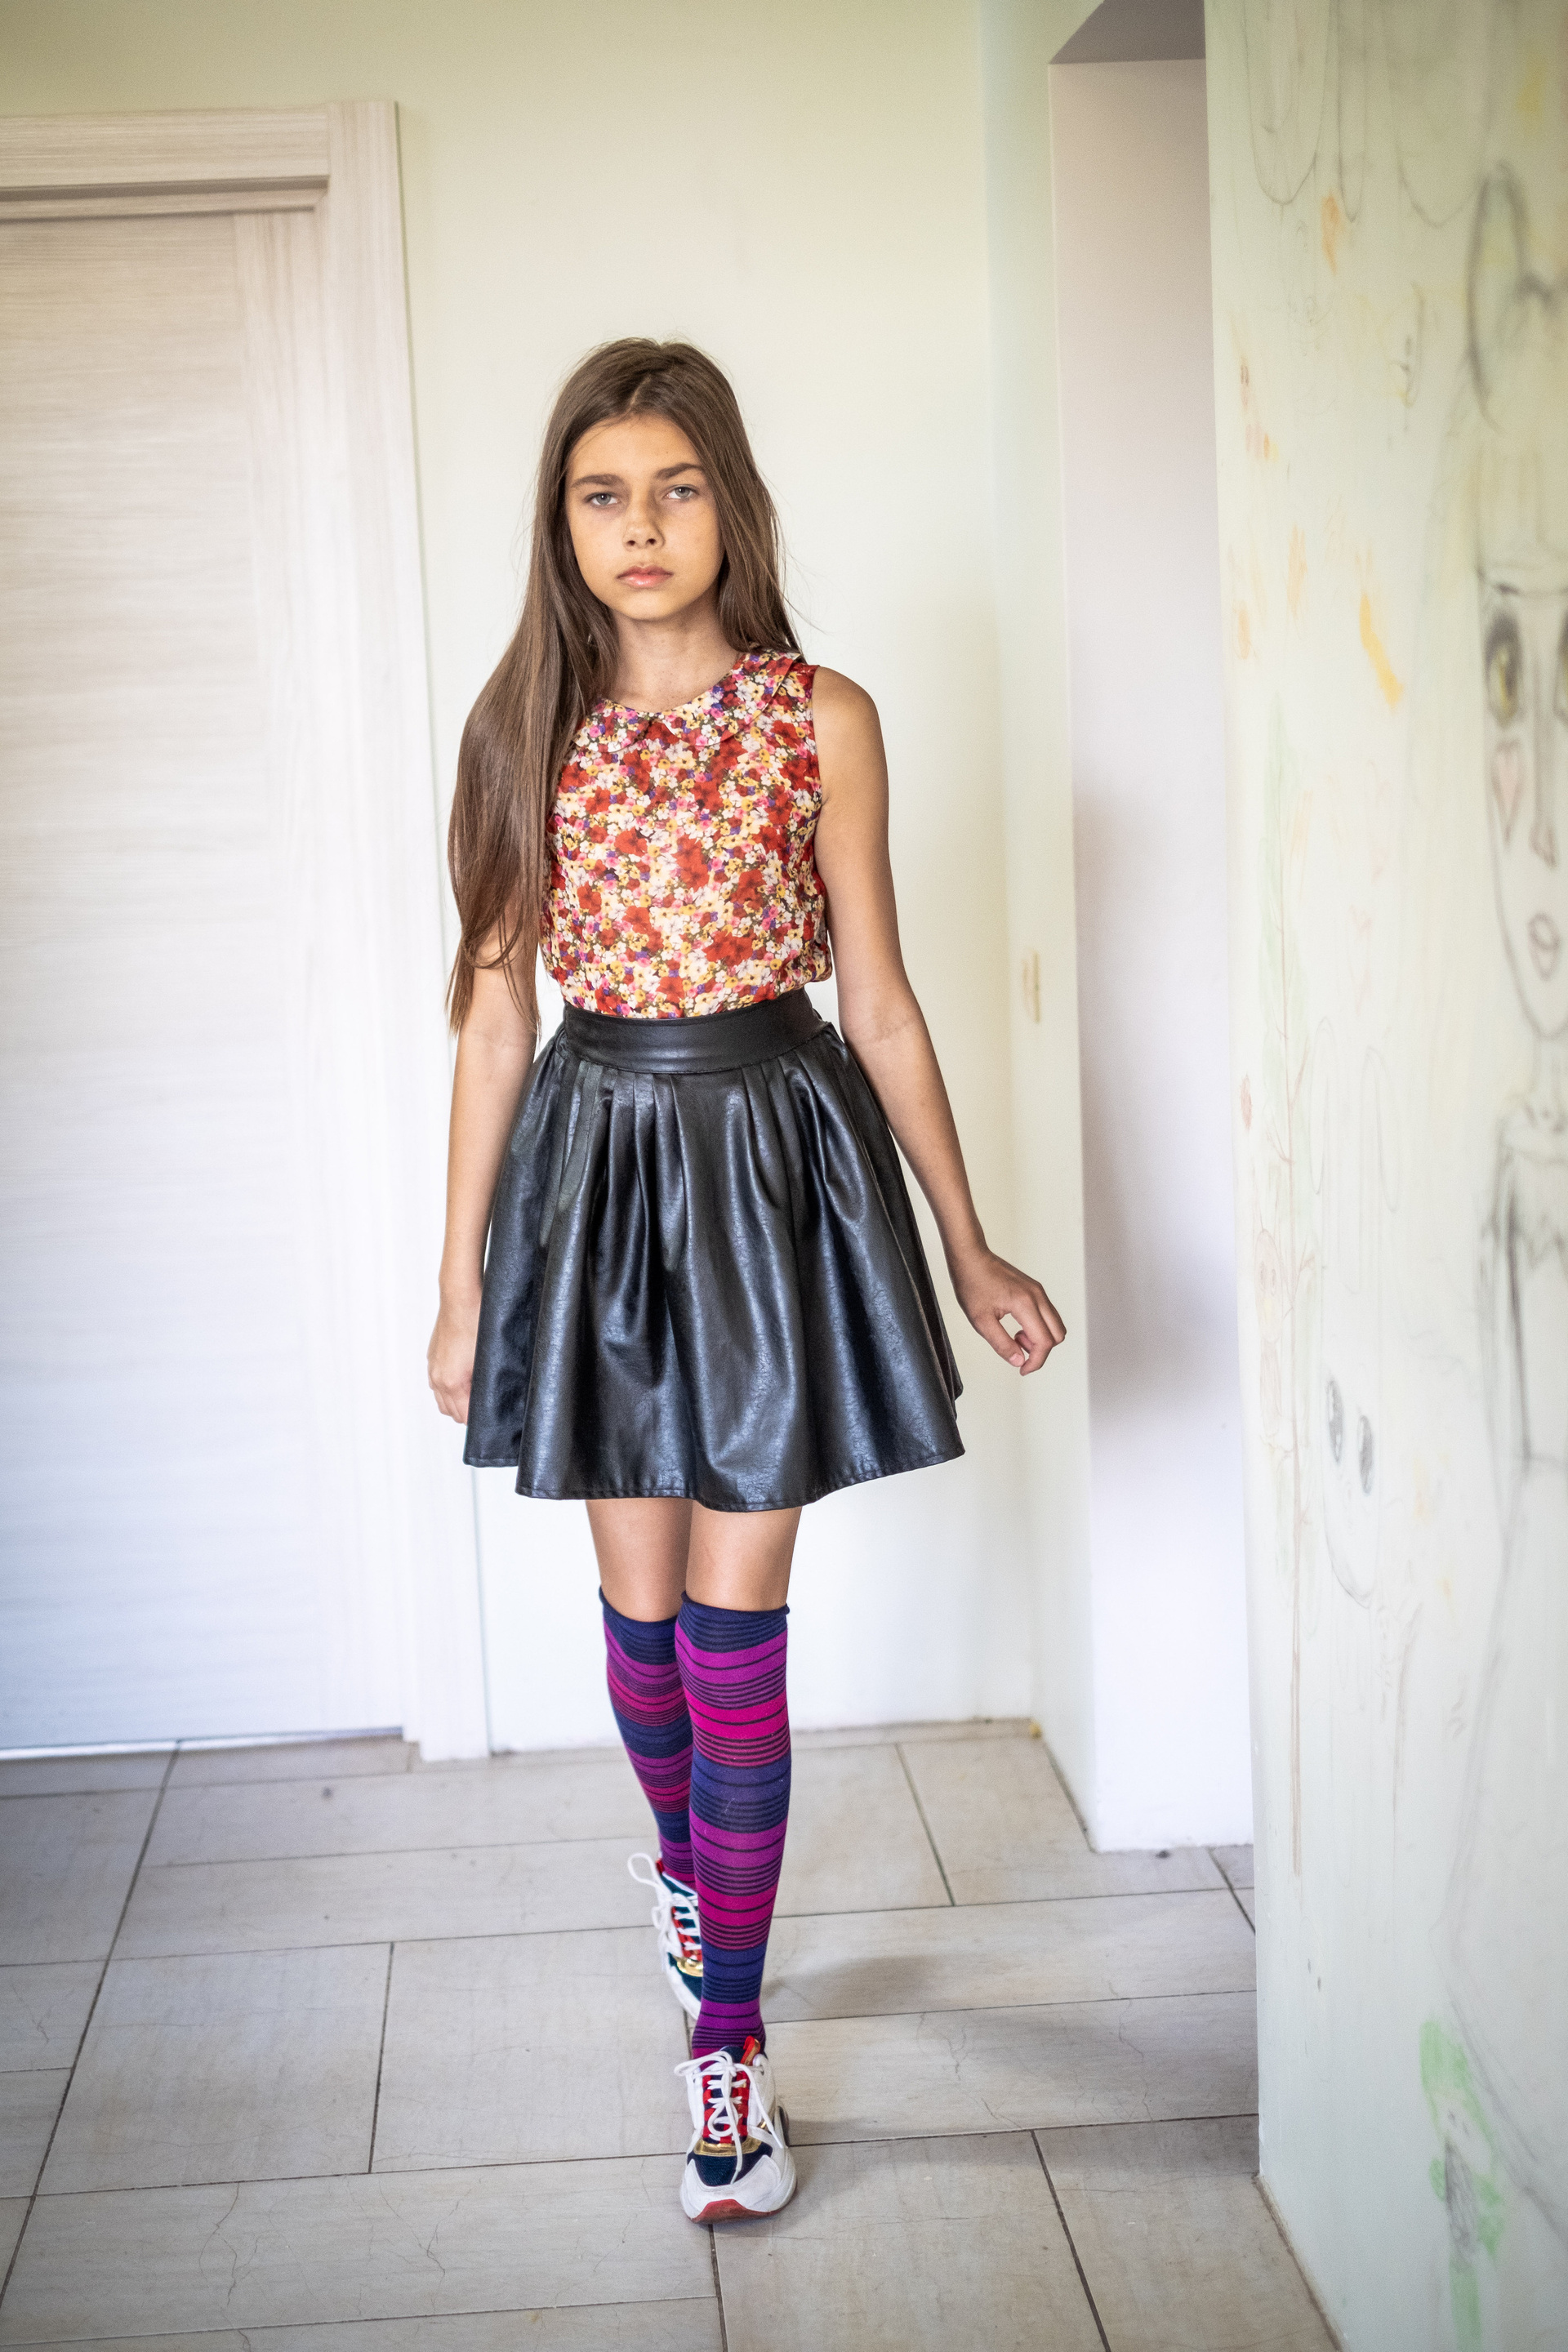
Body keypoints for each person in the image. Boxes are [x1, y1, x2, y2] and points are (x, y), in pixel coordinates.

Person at [427, 337, 1064, 2224]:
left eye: (677, 487)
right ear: (562, 523)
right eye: (603, 494)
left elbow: (881, 1000)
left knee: (733, 1621)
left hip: (775, 1166)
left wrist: (966, 1239)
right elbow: (491, 1025)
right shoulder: (520, 734)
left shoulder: (823, 717)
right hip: (598, 1177)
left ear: (732, 505)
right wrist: (459, 1284)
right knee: (640, 1628)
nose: (642, 526)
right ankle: (689, 1873)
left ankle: (729, 2047)